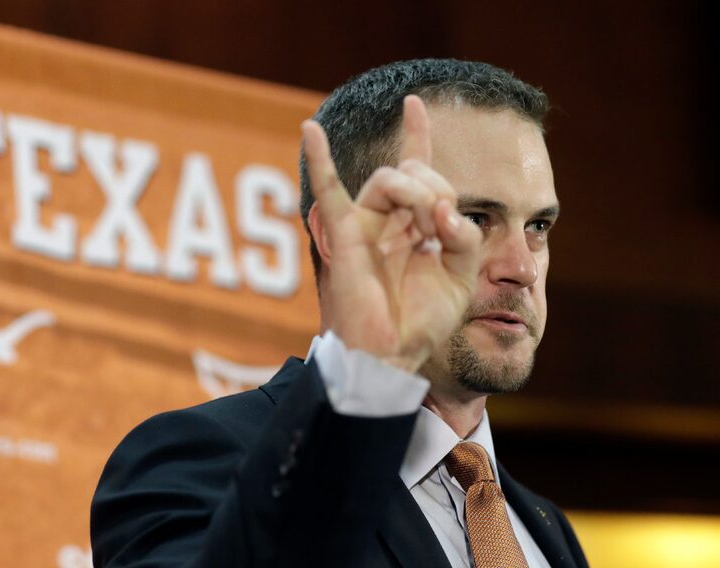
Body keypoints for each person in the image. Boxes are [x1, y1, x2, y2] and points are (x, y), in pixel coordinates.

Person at [91, 59, 589, 568]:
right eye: (475, 218)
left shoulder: (548, 531)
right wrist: (370, 372)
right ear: (335, 235)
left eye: (539, 226)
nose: (523, 268)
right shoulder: (197, 459)